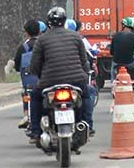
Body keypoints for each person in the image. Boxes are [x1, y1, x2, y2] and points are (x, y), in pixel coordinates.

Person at [26, 7, 94, 141]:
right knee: (88, 93)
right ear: (64, 21)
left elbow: (35, 64)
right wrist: (86, 73)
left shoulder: (42, 40)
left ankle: (35, 131)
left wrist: (37, 73)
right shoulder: (76, 37)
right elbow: (84, 60)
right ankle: (87, 125)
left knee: (35, 96)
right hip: (76, 81)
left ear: (49, 23)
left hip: (49, 81)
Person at [14, 19, 42, 129]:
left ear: (27, 32)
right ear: (39, 31)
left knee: (26, 93)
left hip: (29, 81)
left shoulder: (23, 47)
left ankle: (26, 114)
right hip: (44, 79)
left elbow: (17, 66)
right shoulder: (43, 43)